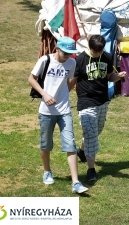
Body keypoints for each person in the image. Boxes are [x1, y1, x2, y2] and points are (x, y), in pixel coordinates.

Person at [28, 37, 90, 194]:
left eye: (70, 53)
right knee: (45, 144)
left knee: (70, 144)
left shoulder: (72, 62)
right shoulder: (45, 60)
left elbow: (69, 83)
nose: (68, 56)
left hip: (64, 110)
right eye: (65, 53)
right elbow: (31, 79)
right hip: (46, 111)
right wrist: (45, 94)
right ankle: (47, 171)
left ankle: (76, 182)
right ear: (57, 48)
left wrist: (63, 95)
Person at [69, 35, 127, 184]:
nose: (98, 54)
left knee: (96, 130)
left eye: (100, 51)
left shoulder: (107, 57)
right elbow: (72, 82)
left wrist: (118, 76)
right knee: (91, 134)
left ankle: (81, 151)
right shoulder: (80, 60)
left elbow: (109, 77)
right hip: (86, 102)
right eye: (96, 51)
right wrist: (60, 96)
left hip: (102, 101)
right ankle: (91, 169)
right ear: (90, 47)